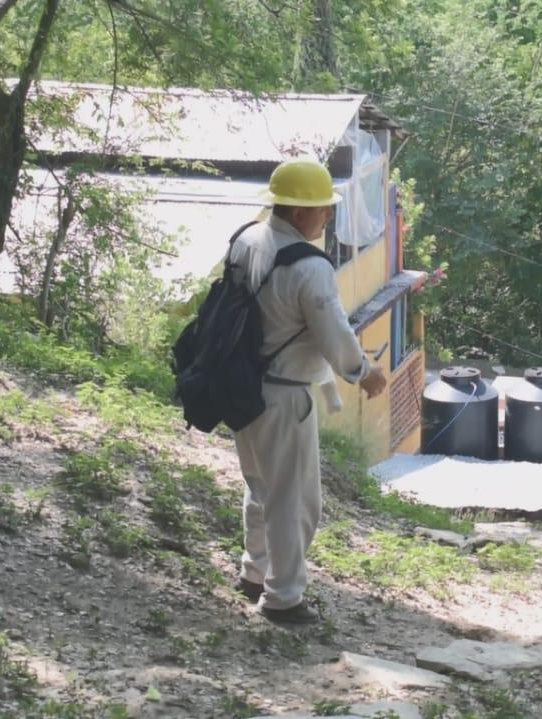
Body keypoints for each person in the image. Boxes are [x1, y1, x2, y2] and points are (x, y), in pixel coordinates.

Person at [229, 157, 387, 624]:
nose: (328, 218)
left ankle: (253, 572)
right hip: (285, 395)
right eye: (323, 209)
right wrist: (364, 373)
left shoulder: (246, 239)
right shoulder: (308, 267)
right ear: (300, 213)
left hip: (242, 385)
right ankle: (283, 598)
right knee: (294, 499)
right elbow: (333, 333)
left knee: (260, 486)